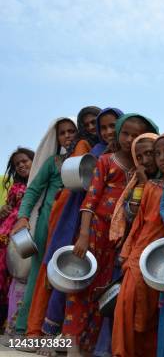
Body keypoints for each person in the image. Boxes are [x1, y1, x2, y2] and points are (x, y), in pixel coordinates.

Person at [63, 114, 157, 354]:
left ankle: (88, 346)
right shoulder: (106, 161)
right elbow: (90, 200)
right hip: (95, 231)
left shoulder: (144, 171)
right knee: (82, 284)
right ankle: (70, 343)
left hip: (119, 240)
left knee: (103, 291)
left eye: (136, 136)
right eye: (125, 133)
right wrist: (83, 235)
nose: (129, 139)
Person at [40, 108, 123, 341]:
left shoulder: (134, 154)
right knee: (78, 277)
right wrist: (84, 232)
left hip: (119, 233)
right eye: (101, 127)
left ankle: (96, 343)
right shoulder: (97, 154)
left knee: (108, 285)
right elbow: (89, 196)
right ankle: (66, 338)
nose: (107, 131)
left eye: (112, 126)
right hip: (90, 226)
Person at [26, 106, 101, 339]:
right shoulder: (77, 151)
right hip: (64, 218)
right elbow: (34, 190)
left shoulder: (100, 149)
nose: (90, 128)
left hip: (78, 216)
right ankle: (35, 330)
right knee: (51, 271)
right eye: (85, 124)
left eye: (93, 123)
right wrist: (22, 217)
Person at [10, 117, 77, 337]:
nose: (67, 136)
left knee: (69, 278)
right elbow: (32, 190)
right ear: (57, 138)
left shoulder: (88, 160)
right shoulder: (53, 162)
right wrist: (23, 217)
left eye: (71, 131)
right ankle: (26, 329)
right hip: (47, 227)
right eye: (62, 132)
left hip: (76, 227)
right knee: (39, 276)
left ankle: (60, 334)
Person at [112, 135, 164, 357]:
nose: (153, 160)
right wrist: (126, 252)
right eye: (139, 157)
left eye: (151, 153)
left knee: (154, 313)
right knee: (127, 305)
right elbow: (137, 220)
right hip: (139, 253)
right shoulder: (148, 185)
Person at [0, 148, 34, 330]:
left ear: (34, 160)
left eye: (25, 161)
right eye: (17, 164)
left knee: (23, 276)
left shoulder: (39, 183)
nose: (21, 165)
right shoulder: (15, 187)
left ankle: (17, 324)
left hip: (25, 236)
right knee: (7, 278)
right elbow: (8, 209)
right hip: (7, 238)